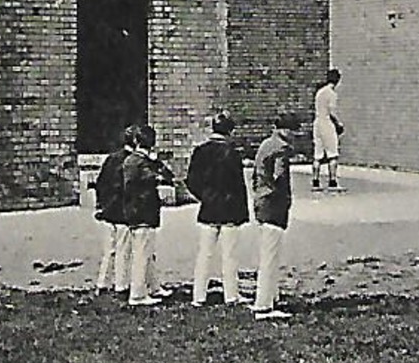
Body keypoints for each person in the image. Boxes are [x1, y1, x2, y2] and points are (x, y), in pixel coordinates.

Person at [189, 112, 248, 306]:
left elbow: (192, 181)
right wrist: (242, 211)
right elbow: (239, 185)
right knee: (229, 254)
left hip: (209, 207)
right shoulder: (231, 153)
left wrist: (204, 196)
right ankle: (231, 295)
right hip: (230, 208)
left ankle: (199, 295)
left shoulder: (200, 151)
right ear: (229, 130)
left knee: (204, 253)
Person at [122, 125, 176, 306]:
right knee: (142, 254)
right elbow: (161, 178)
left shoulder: (132, 160)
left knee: (147, 252)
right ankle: (137, 294)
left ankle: (154, 287)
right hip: (142, 212)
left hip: (138, 212)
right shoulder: (138, 163)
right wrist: (157, 165)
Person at [252, 112, 299, 320]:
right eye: (292, 130)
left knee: (267, 254)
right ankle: (264, 304)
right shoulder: (282, 149)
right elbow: (279, 176)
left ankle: (270, 296)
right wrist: (284, 198)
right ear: (284, 130)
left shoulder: (265, 145)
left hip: (261, 202)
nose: (294, 135)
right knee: (271, 257)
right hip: (274, 204)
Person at [92, 126, 134, 295]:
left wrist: (102, 205)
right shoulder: (133, 161)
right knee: (123, 250)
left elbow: (101, 183)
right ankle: (121, 285)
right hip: (123, 212)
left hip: (109, 211)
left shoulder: (112, 159)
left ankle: (102, 284)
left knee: (110, 250)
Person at [312, 69, 344, 193]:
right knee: (332, 153)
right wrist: (339, 124)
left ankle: (315, 180)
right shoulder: (331, 93)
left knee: (318, 153)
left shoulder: (319, 92)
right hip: (326, 123)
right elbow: (332, 112)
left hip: (317, 122)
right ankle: (332, 181)